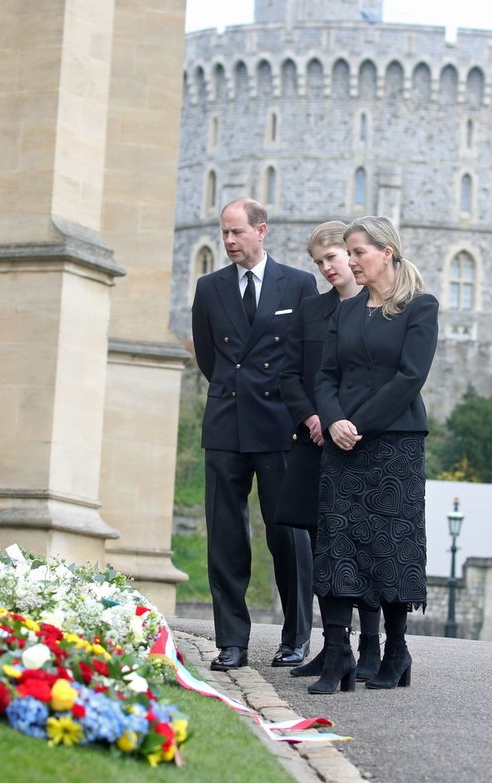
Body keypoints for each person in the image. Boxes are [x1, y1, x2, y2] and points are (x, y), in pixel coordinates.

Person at [310, 215, 438, 694]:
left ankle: (397, 649)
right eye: (349, 252)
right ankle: (339, 652)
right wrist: (334, 419)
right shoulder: (346, 311)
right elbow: (325, 376)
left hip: (394, 443)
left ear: (386, 252)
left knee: (390, 544)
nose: (351, 261)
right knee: (339, 541)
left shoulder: (420, 308)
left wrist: (356, 425)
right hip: (343, 441)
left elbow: (410, 378)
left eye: (358, 251)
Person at [191, 197, 318, 671]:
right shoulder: (209, 288)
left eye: (237, 233)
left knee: (288, 535)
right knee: (225, 534)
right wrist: (233, 390)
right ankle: (232, 641)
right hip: (226, 422)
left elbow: (308, 358)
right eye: (224, 233)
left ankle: (297, 637)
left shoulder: (299, 285)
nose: (228, 242)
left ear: (261, 231)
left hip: (281, 425)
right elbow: (208, 357)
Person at [277, 221, 382, 681]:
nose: (326, 268)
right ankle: (333, 645)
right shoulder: (311, 311)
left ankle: (371, 646)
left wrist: (344, 419)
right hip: (315, 440)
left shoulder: (378, 306)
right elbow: (288, 374)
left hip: (359, 440)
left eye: (333, 258)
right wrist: (313, 416)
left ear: (352, 255)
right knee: (322, 546)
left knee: (365, 544)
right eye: (318, 262)